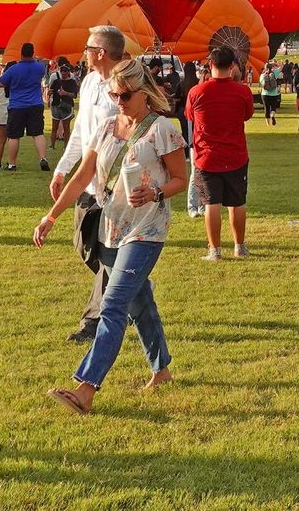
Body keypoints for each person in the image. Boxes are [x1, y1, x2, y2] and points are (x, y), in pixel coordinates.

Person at [34, 56, 185, 415]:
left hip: (146, 229)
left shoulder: (163, 129)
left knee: (114, 304)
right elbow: (84, 175)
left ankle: (85, 390)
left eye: (126, 95)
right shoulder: (105, 127)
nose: (119, 101)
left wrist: (155, 193)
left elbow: (181, 178)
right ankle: (161, 370)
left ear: (144, 92)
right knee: (139, 303)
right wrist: (51, 216)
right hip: (110, 228)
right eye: (115, 95)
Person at [54, 27, 126, 345]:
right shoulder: (89, 82)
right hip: (88, 182)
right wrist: (61, 169)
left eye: (87, 47)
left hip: (117, 185)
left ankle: (93, 321)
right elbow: (81, 132)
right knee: (83, 245)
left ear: (100, 52)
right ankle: (130, 283)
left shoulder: (127, 86)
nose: (83, 52)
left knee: (108, 255)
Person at [185, 47, 254, 261]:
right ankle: (239, 247)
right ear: (232, 66)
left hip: (207, 156)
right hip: (235, 155)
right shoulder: (242, 91)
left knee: (210, 203)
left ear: (210, 65)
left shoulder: (197, 92)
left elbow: (190, 116)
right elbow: (247, 115)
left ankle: (214, 250)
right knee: (237, 203)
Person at [0, 43, 51, 174]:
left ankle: (12, 164)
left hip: (17, 105)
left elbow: (1, 83)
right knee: (38, 133)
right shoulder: (39, 68)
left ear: (21, 53)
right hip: (35, 104)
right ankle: (43, 158)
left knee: (14, 136)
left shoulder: (14, 69)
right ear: (33, 53)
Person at [259, 61, 284, 126]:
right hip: (274, 94)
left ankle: (268, 124)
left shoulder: (262, 75)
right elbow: (281, 67)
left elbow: (261, 84)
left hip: (265, 94)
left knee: (266, 108)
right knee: (273, 108)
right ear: (271, 67)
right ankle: (272, 115)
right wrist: (275, 63)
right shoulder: (274, 73)